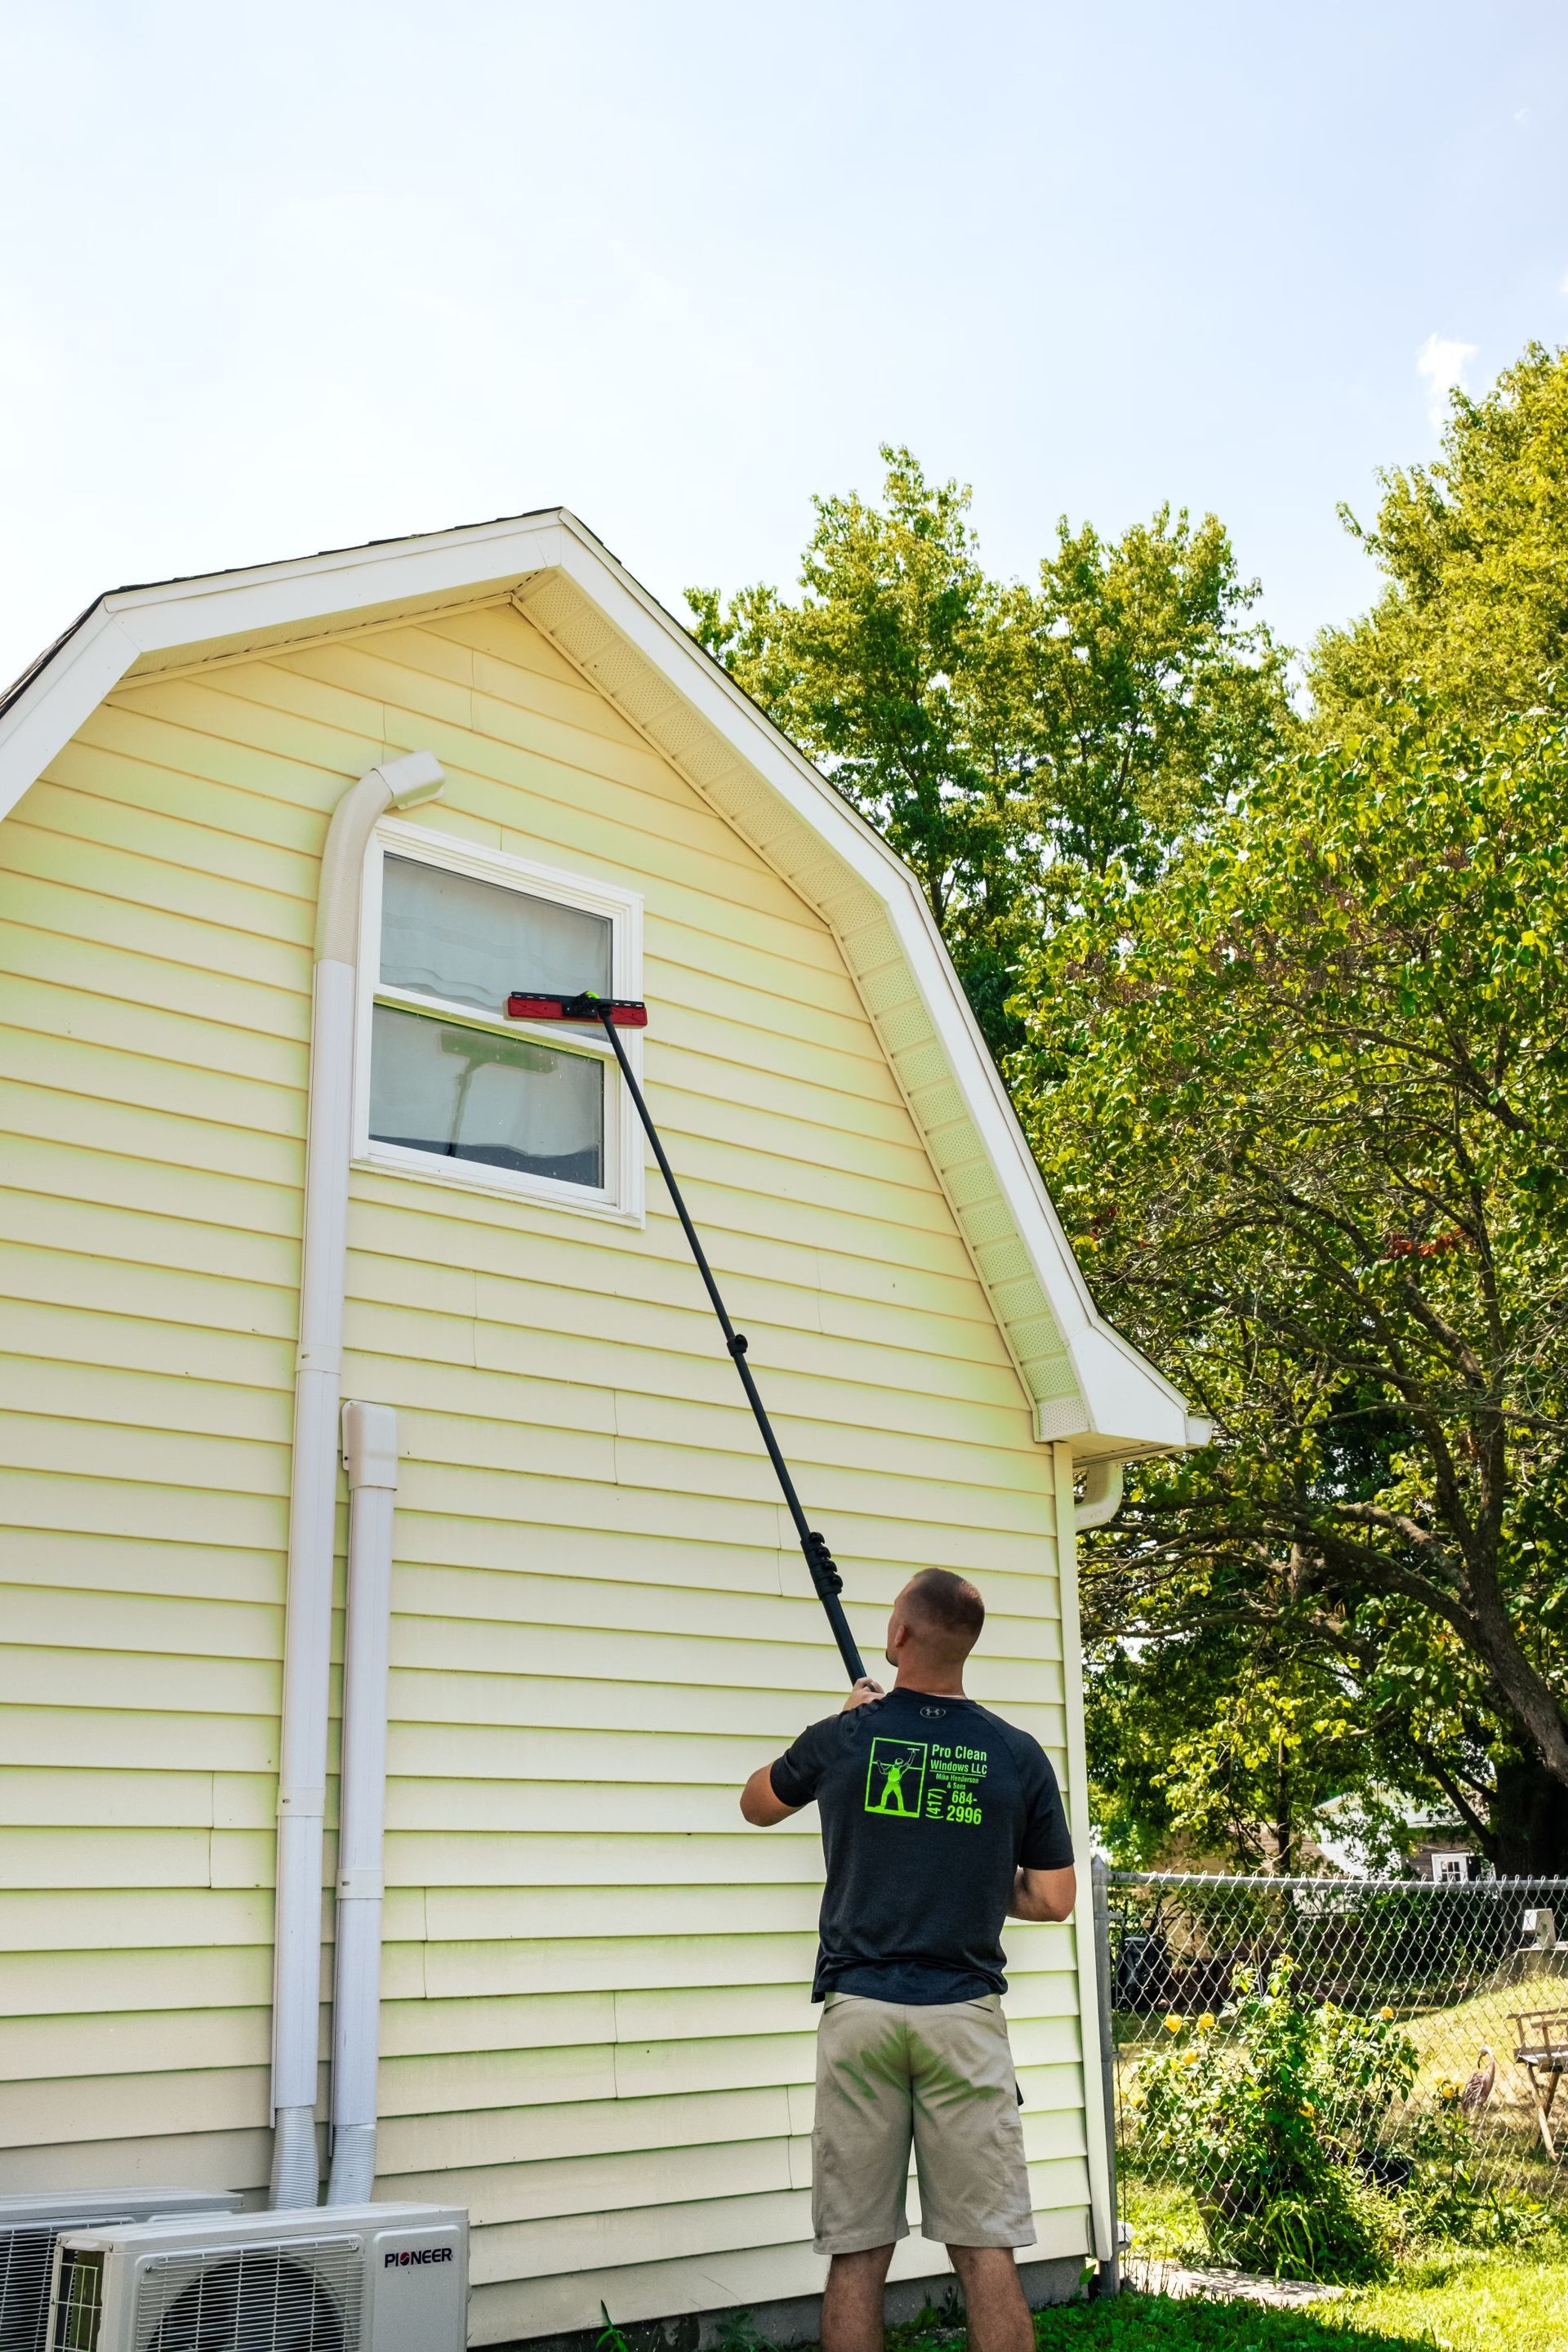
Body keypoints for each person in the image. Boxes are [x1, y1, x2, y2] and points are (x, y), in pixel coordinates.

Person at [739, 1568, 1076, 2352]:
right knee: (984, 2245)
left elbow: (756, 1802)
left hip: (860, 2013)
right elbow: (1055, 1898)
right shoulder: (1015, 1754)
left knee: (859, 2249)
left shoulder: (847, 1736)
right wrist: (972, 1875)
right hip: (963, 2017)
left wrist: (839, 1725)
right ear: (967, 1646)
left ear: (897, 1638)